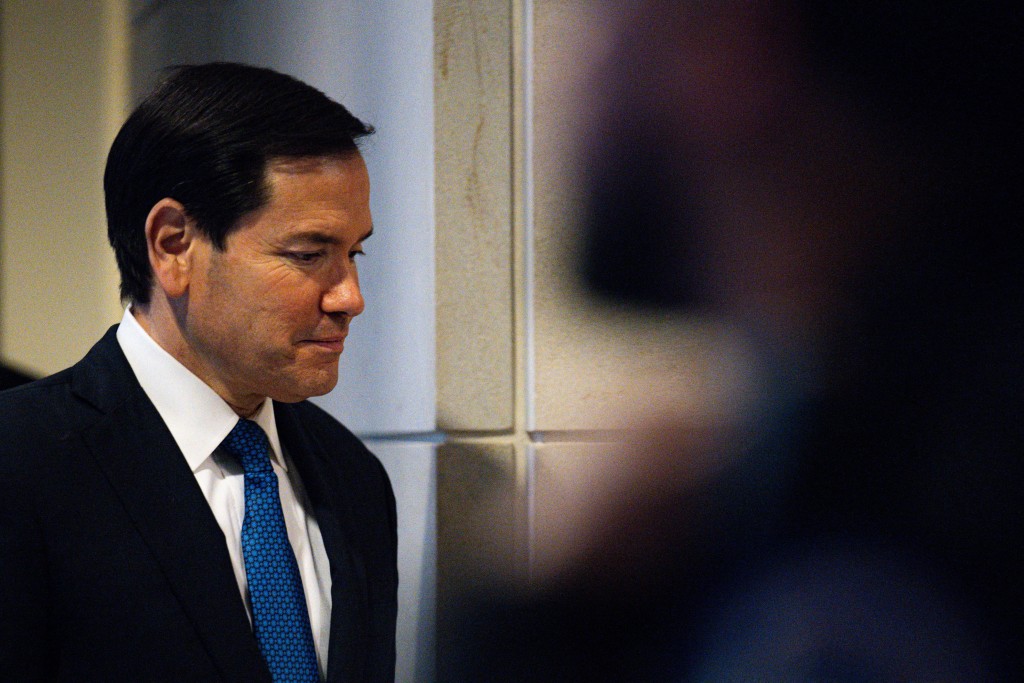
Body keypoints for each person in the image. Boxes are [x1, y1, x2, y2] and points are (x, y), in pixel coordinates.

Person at [444, 1, 1024, 680]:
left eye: (609, 18)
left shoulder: (879, 534)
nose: (583, 67)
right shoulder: (868, 426)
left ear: (730, 38)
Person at [0, 62, 397, 682]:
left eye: (354, 253)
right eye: (308, 255)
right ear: (173, 245)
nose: (350, 296)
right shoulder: (21, 462)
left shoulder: (355, 478)